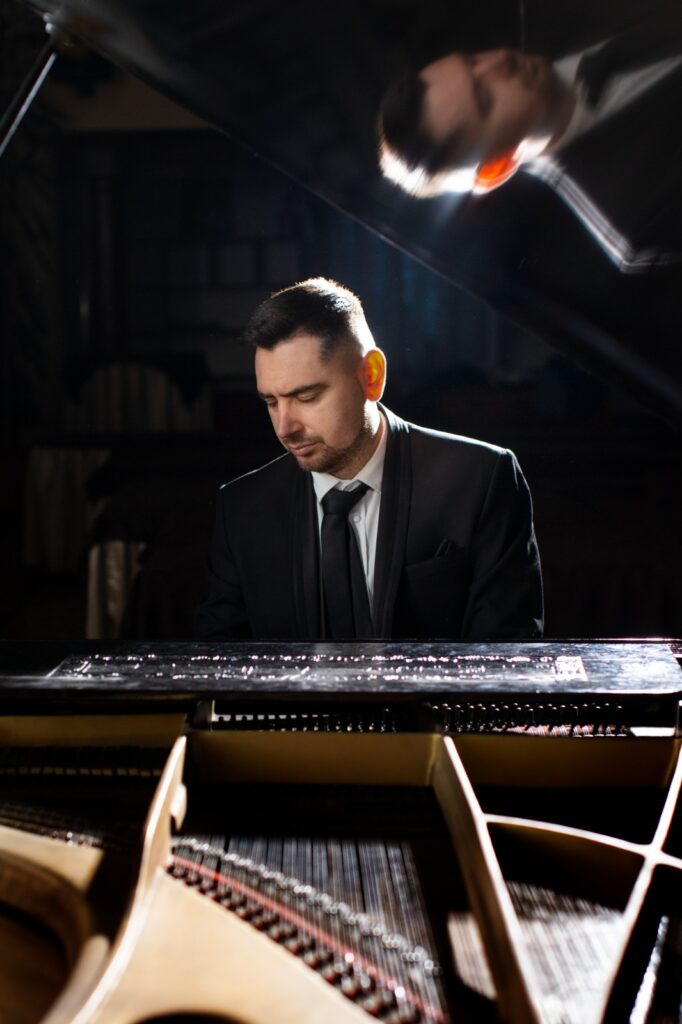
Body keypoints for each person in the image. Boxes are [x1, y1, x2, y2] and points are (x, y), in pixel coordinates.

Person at [194, 278, 543, 641]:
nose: (285, 427)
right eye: (270, 401)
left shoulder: (479, 480)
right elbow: (220, 664)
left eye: (307, 396)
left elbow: (506, 657)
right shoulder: (243, 507)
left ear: (371, 377)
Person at [378, 33, 682, 270]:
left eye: (472, 60)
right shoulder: (632, 219)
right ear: (496, 169)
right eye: (486, 99)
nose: (499, 60)